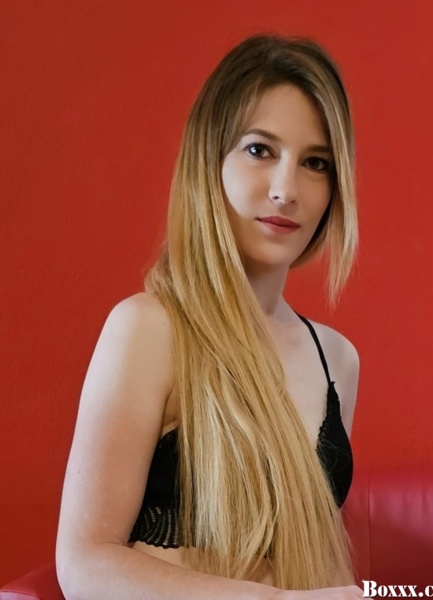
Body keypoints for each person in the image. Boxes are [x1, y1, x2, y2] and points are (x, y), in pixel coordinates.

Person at [56, 33, 362, 599]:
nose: (285, 190)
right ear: (209, 159)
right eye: (260, 150)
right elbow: (84, 564)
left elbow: (322, 562)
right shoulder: (149, 329)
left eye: (315, 163)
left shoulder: (337, 359)